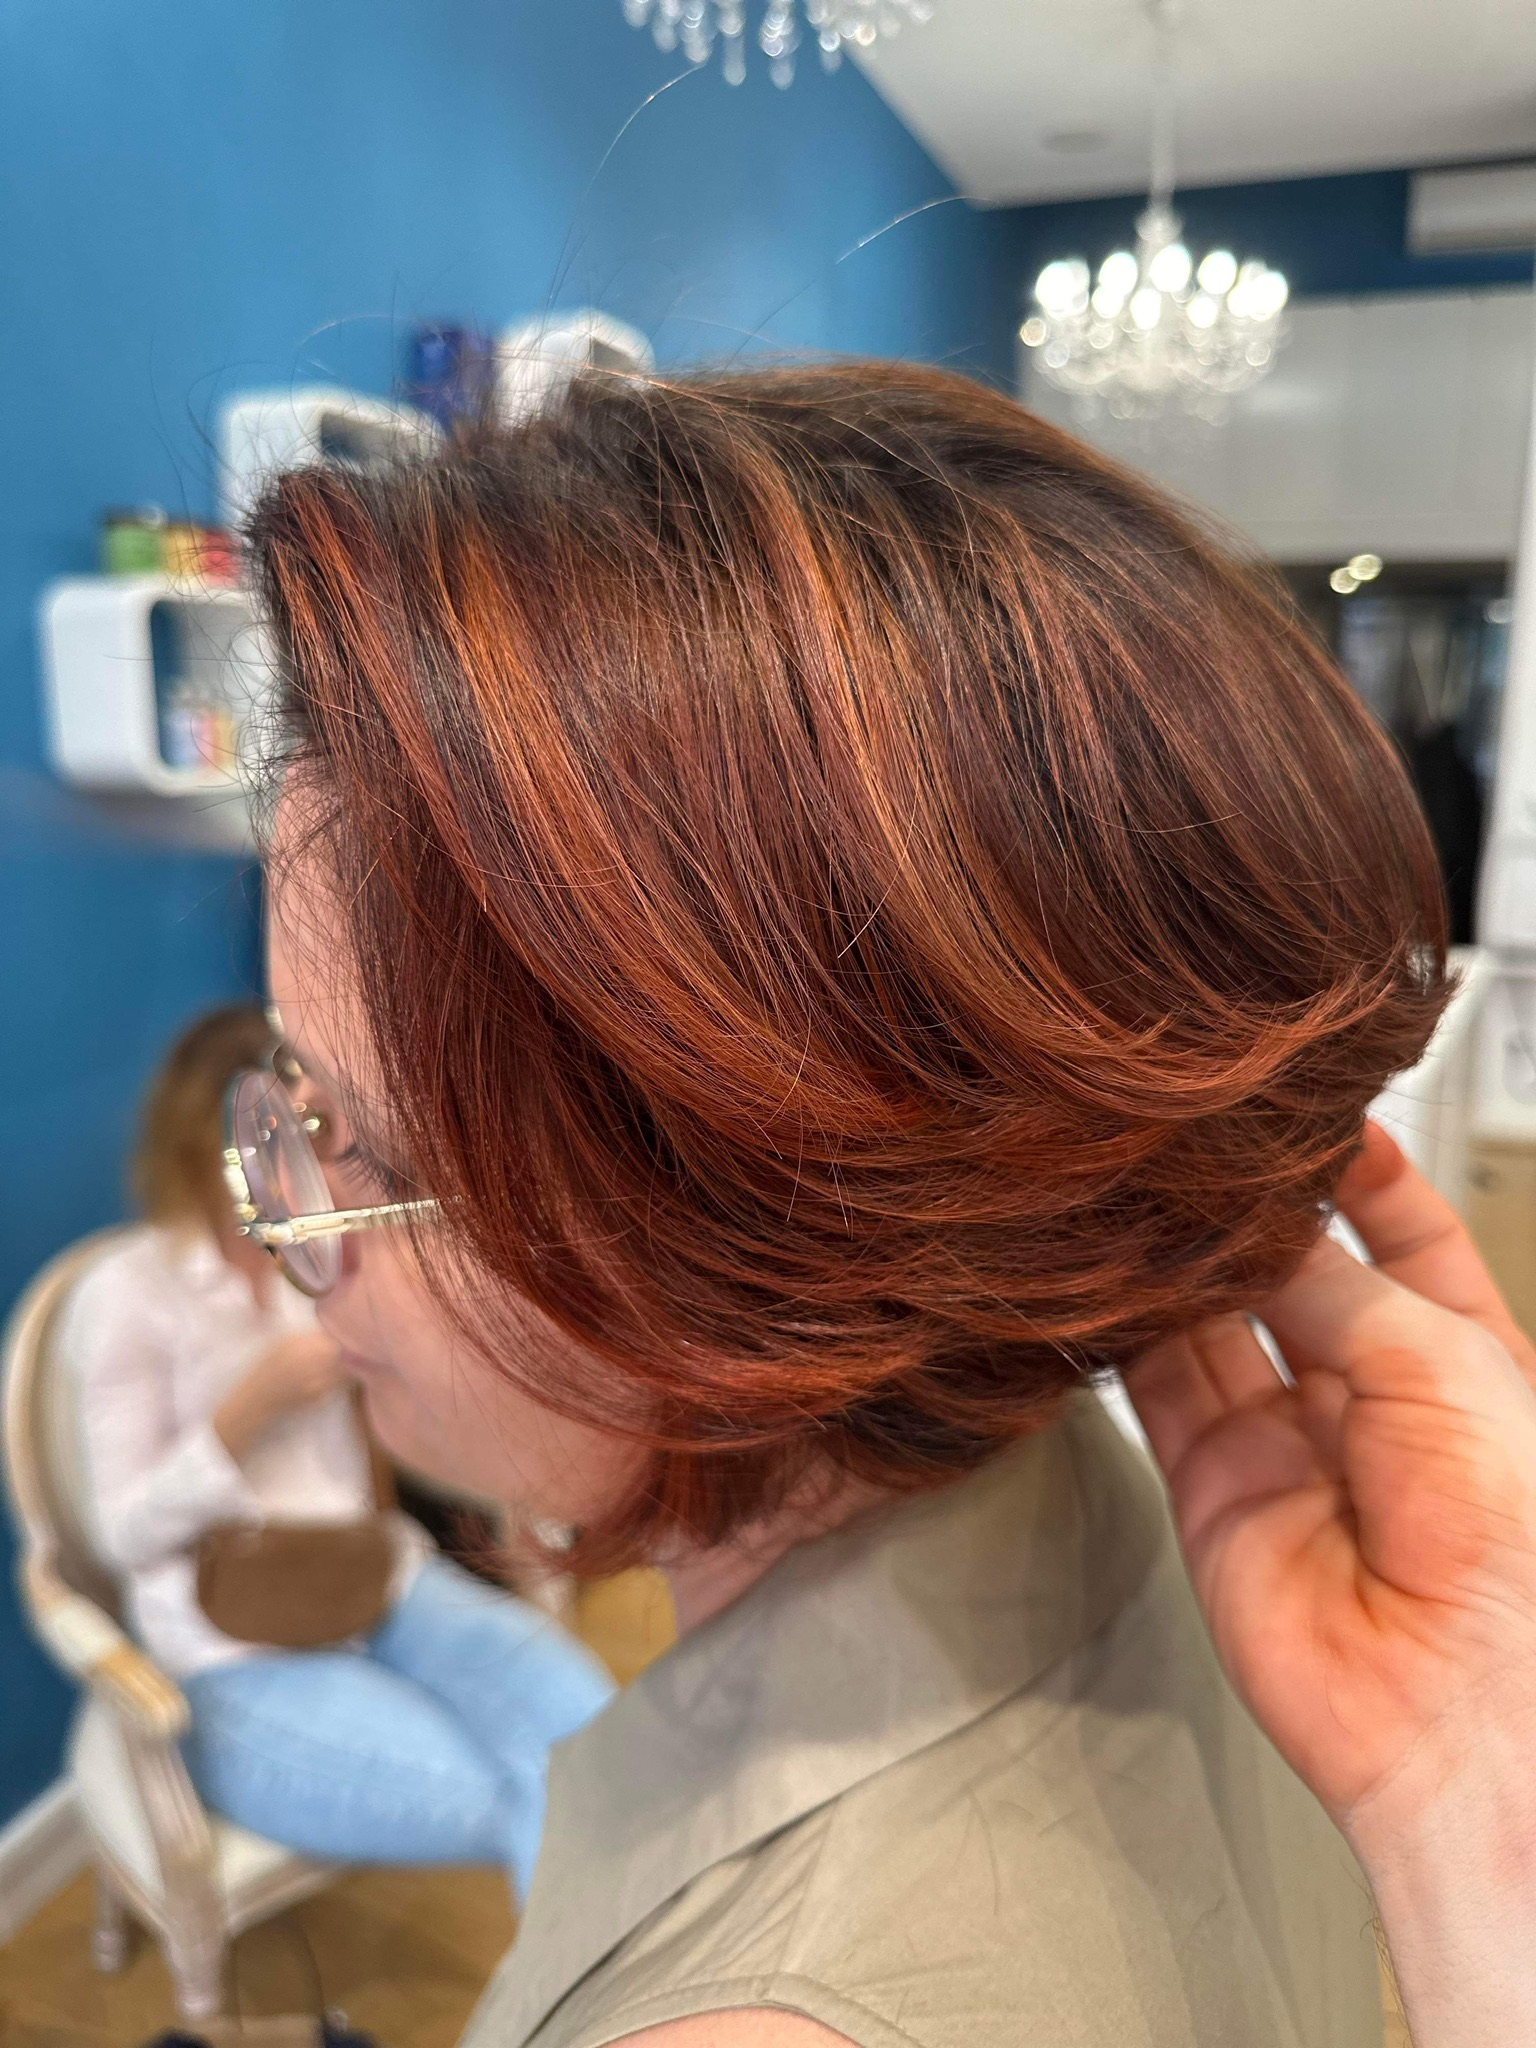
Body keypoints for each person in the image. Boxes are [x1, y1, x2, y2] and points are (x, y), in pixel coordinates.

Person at [238, 361, 1536, 2048]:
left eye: (359, 1144)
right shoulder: (1137, 1510)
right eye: (288, 1094)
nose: (284, 1228)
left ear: (766, 1246)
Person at [59, 1005, 613, 1901]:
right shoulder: (129, 1297)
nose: (291, 1175)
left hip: (377, 1582)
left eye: (309, 1136)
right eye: (263, 1145)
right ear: (200, 1143)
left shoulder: (325, 1258)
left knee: (596, 1733)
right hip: (233, 1652)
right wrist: (245, 1415)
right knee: (526, 1800)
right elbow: (122, 1534)